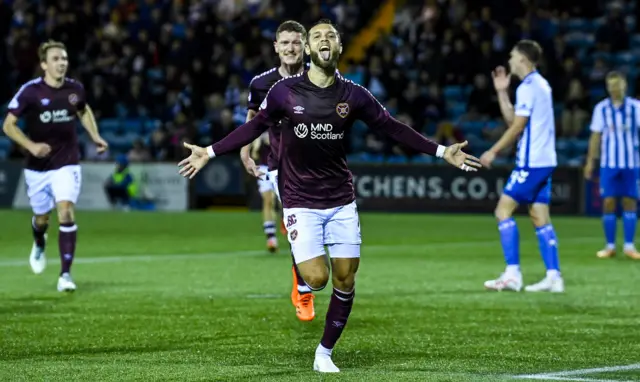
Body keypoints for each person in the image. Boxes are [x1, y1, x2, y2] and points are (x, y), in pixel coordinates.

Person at [178, 19, 481, 373]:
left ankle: (324, 352)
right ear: (309, 49)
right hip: (299, 199)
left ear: (337, 48)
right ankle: (303, 285)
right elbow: (254, 127)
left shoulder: (353, 94)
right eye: (317, 36)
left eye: (331, 37)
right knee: (317, 278)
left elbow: (392, 127)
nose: (324, 40)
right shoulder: (283, 91)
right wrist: (211, 152)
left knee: (346, 277)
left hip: (340, 199)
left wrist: (442, 151)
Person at [1, 40, 108, 292]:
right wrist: (31, 146)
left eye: (64, 59)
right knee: (41, 218)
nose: (62, 63)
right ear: (44, 64)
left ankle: (65, 276)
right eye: (56, 59)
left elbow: (83, 110)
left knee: (66, 210)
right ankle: (39, 241)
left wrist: (95, 136)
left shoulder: (75, 89)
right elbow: (8, 125)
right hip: (37, 167)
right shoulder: (30, 92)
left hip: (67, 161)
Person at [238, 20, 316, 322]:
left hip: (317, 165)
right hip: (279, 165)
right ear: (276, 47)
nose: (291, 48)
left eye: (296, 42)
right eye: (285, 43)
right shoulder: (261, 83)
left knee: (313, 234)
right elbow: (252, 119)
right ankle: (304, 290)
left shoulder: (320, 77)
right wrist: (245, 150)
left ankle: (303, 284)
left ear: (305, 46)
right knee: (301, 230)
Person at [480, 40, 564, 293]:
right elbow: (514, 119)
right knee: (539, 216)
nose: (510, 60)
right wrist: (502, 92)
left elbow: (516, 128)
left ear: (524, 60)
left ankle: (512, 274)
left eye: (513, 56)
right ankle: (553, 277)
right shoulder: (539, 85)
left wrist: (493, 151)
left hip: (531, 162)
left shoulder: (529, 87)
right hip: (545, 161)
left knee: (502, 211)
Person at [584, 71, 640, 260]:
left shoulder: (635, 107)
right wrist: (591, 161)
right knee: (608, 202)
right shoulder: (601, 109)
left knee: (630, 201)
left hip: (631, 163)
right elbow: (595, 136)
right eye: (611, 86)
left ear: (624, 85)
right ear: (607, 87)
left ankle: (629, 246)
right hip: (609, 163)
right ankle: (609, 246)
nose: (614, 89)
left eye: (617, 85)